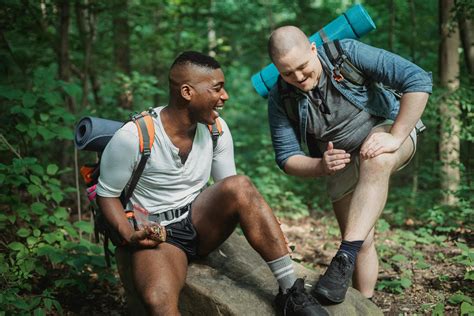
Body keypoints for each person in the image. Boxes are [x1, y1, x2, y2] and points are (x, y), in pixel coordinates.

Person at [96, 51, 328, 316]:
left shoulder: (216, 129)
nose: (225, 96)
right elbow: (107, 195)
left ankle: (291, 293)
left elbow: (232, 191)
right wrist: (129, 234)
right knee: (158, 301)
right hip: (159, 236)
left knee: (239, 185)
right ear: (187, 92)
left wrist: (269, 228)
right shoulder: (133, 137)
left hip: (199, 220)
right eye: (217, 89)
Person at [266, 26, 432, 304]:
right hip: (338, 159)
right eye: (286, 73)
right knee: (361, 237)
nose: (297, 77)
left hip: (387, 130)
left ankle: (344, 253)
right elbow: (286, 157)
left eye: (302, 67)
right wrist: (320, 165)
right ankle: (363, 304)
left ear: (313, 49)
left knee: (375, 159)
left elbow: (417, 80)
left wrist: (396, 136)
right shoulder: (280, 97)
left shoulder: (347, 54)